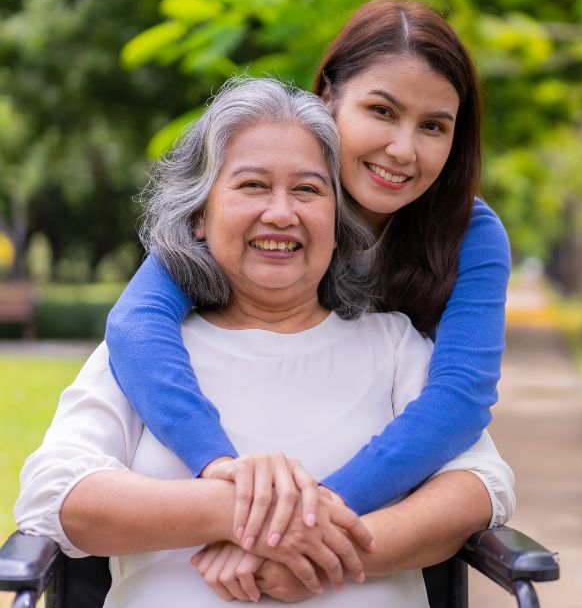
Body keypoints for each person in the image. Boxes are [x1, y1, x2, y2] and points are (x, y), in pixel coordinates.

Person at [15, 78, 514, 607]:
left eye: (307, 190)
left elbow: (480, 484)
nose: (281, 213)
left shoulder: (393, 346)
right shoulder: (148, 352)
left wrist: (321, 554)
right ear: (200, 216)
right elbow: (54, 492)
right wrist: (236, 509)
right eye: (252, 185)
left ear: (338, 221)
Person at [102, 0, 509, 569]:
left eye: (433, 126)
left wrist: (304, 517)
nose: (403, 148)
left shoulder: (471, 233)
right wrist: (221, 470)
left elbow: (460, 397)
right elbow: (135, 323)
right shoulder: (259, 207)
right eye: (382, 111)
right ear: (328, 100)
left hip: (375, 492)